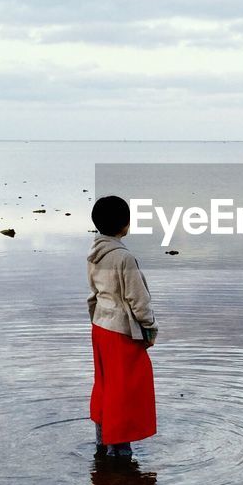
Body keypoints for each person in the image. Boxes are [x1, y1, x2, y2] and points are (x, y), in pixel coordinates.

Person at [87, 195, 158, 459]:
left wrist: (96, 321)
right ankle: (121, 450)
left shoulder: (94, 254)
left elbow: (92, 294)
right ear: (125, 226)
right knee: (127, 388)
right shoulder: (124, 258)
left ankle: (102, 442)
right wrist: (150, 329)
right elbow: (138, 300)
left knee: (105, 385)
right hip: (121, 332)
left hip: (100, 328)